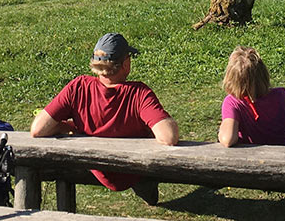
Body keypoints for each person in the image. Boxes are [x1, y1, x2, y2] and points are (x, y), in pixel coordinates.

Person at [30, 32, 179, 204]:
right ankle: (149, 193)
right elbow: (168, 137)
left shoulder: (78, 87)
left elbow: (38, 129)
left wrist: (71, 127)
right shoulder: (139, 94)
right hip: (134, 171)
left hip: (95, 168)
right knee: (147, 182)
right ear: (125, 64)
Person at [217, 46, 285, 147]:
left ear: (231, 77)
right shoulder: (281, 94)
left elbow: (228, 139)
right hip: (284, 154)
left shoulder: (232, 102)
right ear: (263, 73)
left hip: (250, 158)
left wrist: (222, 129)